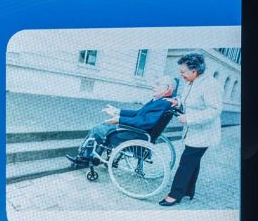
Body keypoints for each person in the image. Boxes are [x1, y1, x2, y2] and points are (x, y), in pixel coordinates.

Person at [67, 75, 177, 165]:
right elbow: (138, 113)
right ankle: (94, 157)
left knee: (97, 129)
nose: (153, 86)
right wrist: (117, 111)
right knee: (104, 126)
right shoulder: (160, 101)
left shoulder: (162, 103)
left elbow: (146, 123)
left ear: (167, 89)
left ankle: (84, 158)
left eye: (157, 84)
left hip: (135, 136)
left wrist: (119, 120)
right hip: (137, 133)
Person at [159, 53, 222, 206]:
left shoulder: (211, 85)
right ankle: (188, 190)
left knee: (186, 163)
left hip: (204, 132)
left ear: (194, 71)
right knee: (193, 161)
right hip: (194, 131)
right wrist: (177, 102)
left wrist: (189, 118)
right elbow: (187, 100)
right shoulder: (190, 82)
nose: (181, 75)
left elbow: (214, 110)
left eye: (183, 72)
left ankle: (175, 194)